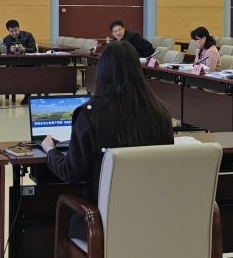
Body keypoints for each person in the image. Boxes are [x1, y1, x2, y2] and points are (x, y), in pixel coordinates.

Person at [42, 41, 174, 238]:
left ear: (102, 72)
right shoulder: (160, 111)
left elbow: (71, 172)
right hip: (151, 219)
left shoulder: (90, 114)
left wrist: (50, 151)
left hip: (101, 222)